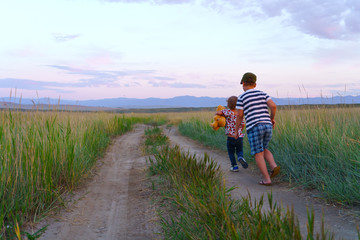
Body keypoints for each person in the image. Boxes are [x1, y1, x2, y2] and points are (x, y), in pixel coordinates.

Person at [235, 72, 280, 185]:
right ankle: (273, 165)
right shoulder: (263, 94)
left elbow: (240, 115)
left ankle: (267, 179)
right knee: (264, 148)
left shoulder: (241, 97)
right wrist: (271, 118)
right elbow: (273, 106)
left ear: (243, 83)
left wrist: (236, 131)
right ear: (255, 84)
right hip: (267, 125)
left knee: (258, 154)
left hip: (254, 126)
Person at [215, 96, 248, 172]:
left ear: (228, 105)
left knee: (231, 152)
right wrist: (240, 131)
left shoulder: (227, 112)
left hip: (230, 137)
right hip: (239, 136)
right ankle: (240, 157)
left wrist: (218, 114)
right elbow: (243, 124)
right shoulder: (240, 113)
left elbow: (218, 112)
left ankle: (234, 166)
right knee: (239, 150)